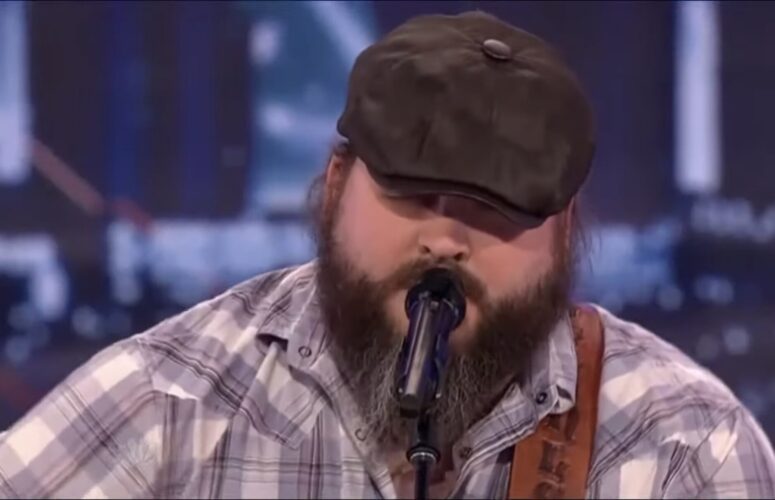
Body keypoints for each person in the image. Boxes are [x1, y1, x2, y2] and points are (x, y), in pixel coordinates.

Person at [2, 10, 774, 500]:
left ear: (564, 228)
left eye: (492, 208)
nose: (444, 239)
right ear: (336, 183)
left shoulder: (685, 446)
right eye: (413, 192)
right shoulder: (166, 404)